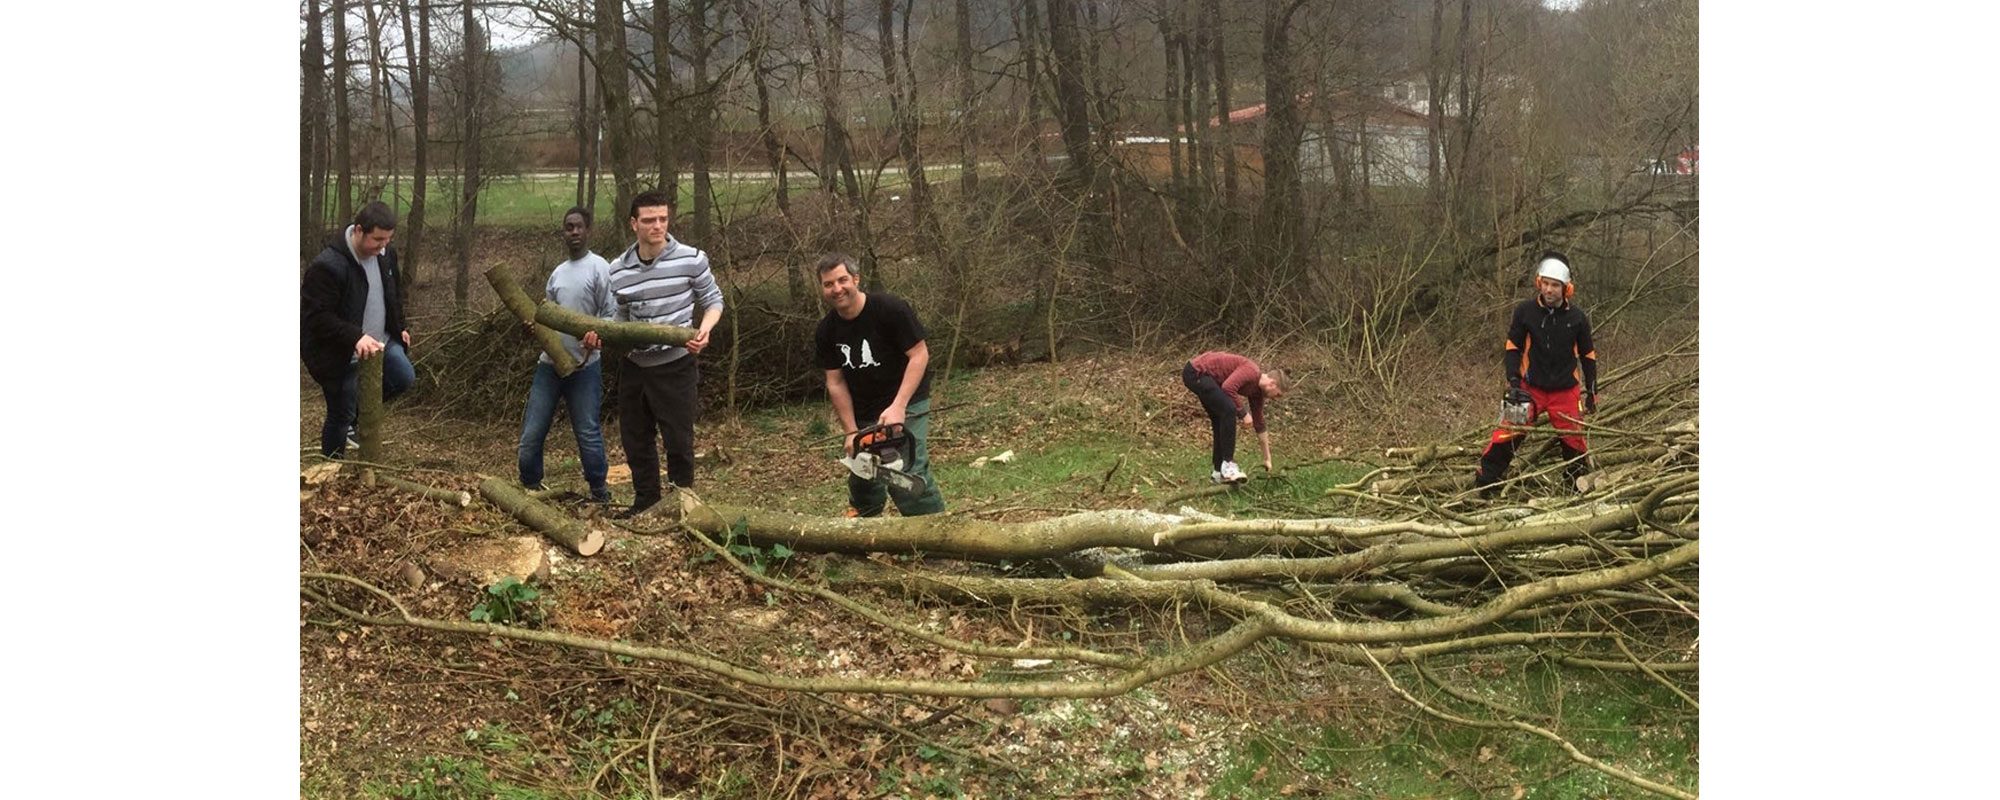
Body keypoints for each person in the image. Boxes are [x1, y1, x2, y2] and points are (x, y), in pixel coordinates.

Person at [608, 190, 724, 518]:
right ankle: (646, 503)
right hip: (634, 365)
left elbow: (713, 300)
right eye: (649, 220)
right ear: (634, 224)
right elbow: (619, 316)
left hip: (676, 364)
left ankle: (681, 504)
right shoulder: (618, 269)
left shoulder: (691, 259)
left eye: (662, 219)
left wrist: (705, 329)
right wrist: (604, 334)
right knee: (635, 438)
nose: (657, 226)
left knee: (678, 439)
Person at [813, 253, 945, 517]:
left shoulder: (890, 309)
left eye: (842, 280)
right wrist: (851, 431)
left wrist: (899, 406)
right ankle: (864, 526)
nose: (837, 289)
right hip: (864, 409)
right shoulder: (826, 330)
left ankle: (935, 532)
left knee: (904, 471)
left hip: (906, 400)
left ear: (856, 279)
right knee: (863, 471)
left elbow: (919, 355)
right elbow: (835, 382)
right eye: (829, 284)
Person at [1473, 250, 1598, 494]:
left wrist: (1592, 391)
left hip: (1565, 391)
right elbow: (1513, 347)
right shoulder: (1525, 312)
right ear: (1539, 283)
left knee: (1574, 442)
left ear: (1566, 288)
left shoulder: (1578, 318)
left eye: (1555, 285)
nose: (1549, 290)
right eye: (1545, 283)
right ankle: (1484, 485)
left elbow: (1588, 356)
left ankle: (1576, 489)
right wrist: (1513, 381)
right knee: (1506, 434)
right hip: (1529, 389)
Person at [301, 201, 416, 458]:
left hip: (381, 342)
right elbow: (317, 318)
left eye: (388, 239)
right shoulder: (327, 266)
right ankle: (331, 465)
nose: (383, 246)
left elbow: (393, 294)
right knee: (339, 415)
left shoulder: (386, 255)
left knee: (403, 377)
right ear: (359, 230)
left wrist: (400, 326)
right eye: (378, 239)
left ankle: (355, 418)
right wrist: (356, 337)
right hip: (338, 352)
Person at [516, 207, 616, 502]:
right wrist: (533, 327)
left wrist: (597, 337)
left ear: (588, 230)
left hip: (584, 366)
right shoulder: (558, 274)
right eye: (568, 227)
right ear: (563, 232)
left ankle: (599, 493)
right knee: (532, 434)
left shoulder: (600, 268)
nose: (573, 232)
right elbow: (547, 317)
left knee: (587, 432)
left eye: (578, 227)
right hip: (549, 365)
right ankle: (530, 489)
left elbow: (611, 316)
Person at [1181, 351, 1289, 484]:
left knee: (1220, 419)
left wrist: (1267, 458)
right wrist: (1243, 414)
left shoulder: (1257, 393)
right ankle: (1228, 466)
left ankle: (1218, 472)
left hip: (1207, 379)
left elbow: (1260, 424)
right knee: (1229, 410)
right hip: (1196, 372)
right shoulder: (1251, 371)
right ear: (1272, 384)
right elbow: (1228, 388)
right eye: (1277, 395)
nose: (1275, 398)